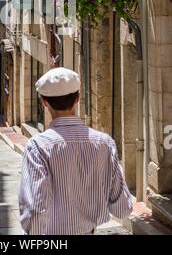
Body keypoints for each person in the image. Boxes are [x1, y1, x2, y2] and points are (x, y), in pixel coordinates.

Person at [19, 67, 133, 235]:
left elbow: (35, 208)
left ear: (44, 101)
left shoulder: (37, 146)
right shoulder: (104, 143)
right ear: (78, 98)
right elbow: (122, 208)